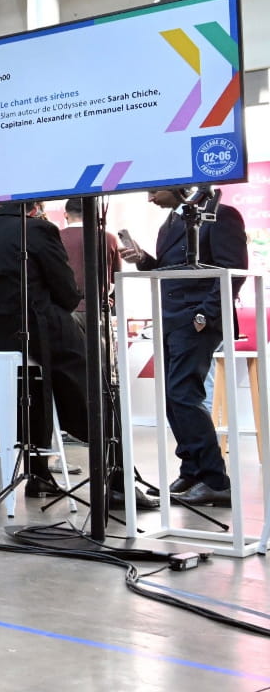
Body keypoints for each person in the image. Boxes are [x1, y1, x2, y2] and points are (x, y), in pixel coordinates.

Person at [0, 203, 145, 504]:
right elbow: (66, 292)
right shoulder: (39, 231)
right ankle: (118, 477)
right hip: (30, 330)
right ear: (35, 208)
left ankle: (39, 474)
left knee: (34, 386)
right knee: (97, 386)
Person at [120, 185, 248, 506]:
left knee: (184, 394)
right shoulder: (171, 224)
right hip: (172, 319)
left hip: (196, 320)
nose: (149, 198)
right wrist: (144, 260)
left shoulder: (220, 215)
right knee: (172, 396)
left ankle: (215, 479)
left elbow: (233, 271)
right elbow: (172, 272)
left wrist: (204, 314)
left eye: (153, 191)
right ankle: (192, 469)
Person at [59, 197, 117, 317]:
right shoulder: (109, 238)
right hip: (100, 307)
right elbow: (115, 277)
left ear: (66, 214)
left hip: (65, 309)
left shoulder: (55, 237)